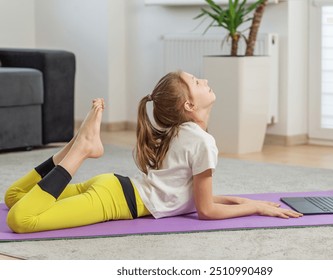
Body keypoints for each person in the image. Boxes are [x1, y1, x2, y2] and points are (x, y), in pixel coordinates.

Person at [4, 71, 302, 233]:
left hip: (114, 188)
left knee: (14, 197)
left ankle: (74, 143)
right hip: (112, 200)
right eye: (198, 82)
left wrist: (239, 199)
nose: (206, 81)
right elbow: (207, 211)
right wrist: (257, 207)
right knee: (22, 220)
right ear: (189, 106)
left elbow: (188, 198)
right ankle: (81, 149)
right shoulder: (201, 141)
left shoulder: (180, 131)